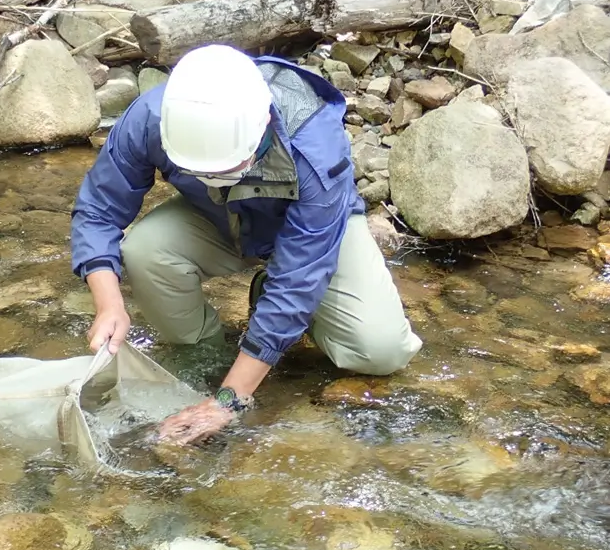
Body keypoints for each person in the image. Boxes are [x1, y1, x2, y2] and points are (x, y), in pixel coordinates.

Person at [70, 44, 422, 446]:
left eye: (228, 168)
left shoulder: (314, 143)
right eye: (199, 170)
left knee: (382, 350)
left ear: (262, 130)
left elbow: (299, 279)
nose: (215, 175)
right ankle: (203, 354)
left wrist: (228, 400)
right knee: (144, 250)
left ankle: (262, 316)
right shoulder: (154, 117)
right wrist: (108, 301)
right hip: (217, 219)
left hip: (314, 232)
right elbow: (99, 209)